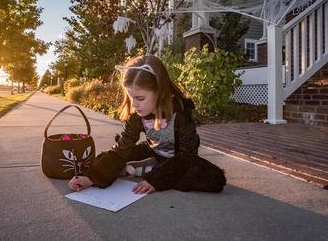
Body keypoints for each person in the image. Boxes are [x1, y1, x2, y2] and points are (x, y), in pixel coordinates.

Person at [68, 55, 226, 194]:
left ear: (160, 91)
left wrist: (157, 180)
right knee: (116, 156)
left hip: (180, 158)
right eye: (131, 97)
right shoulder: (136, 115)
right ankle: (148, 166)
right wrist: (92, 177)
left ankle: (148, 169)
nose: (134, 104)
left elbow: (188, 154)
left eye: (140, 98)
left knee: (215, 179)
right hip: (152, 150)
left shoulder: (181, 114)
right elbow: (121, 149)